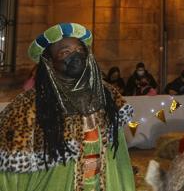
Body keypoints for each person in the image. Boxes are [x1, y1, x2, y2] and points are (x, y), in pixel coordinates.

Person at [0, 23, 135, 191]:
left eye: (79, 49)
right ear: (49, 61)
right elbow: (8, 172)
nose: (76, 55)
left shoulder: (106, 95)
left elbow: (119, 155)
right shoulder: (29, 105)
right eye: (65, 52)